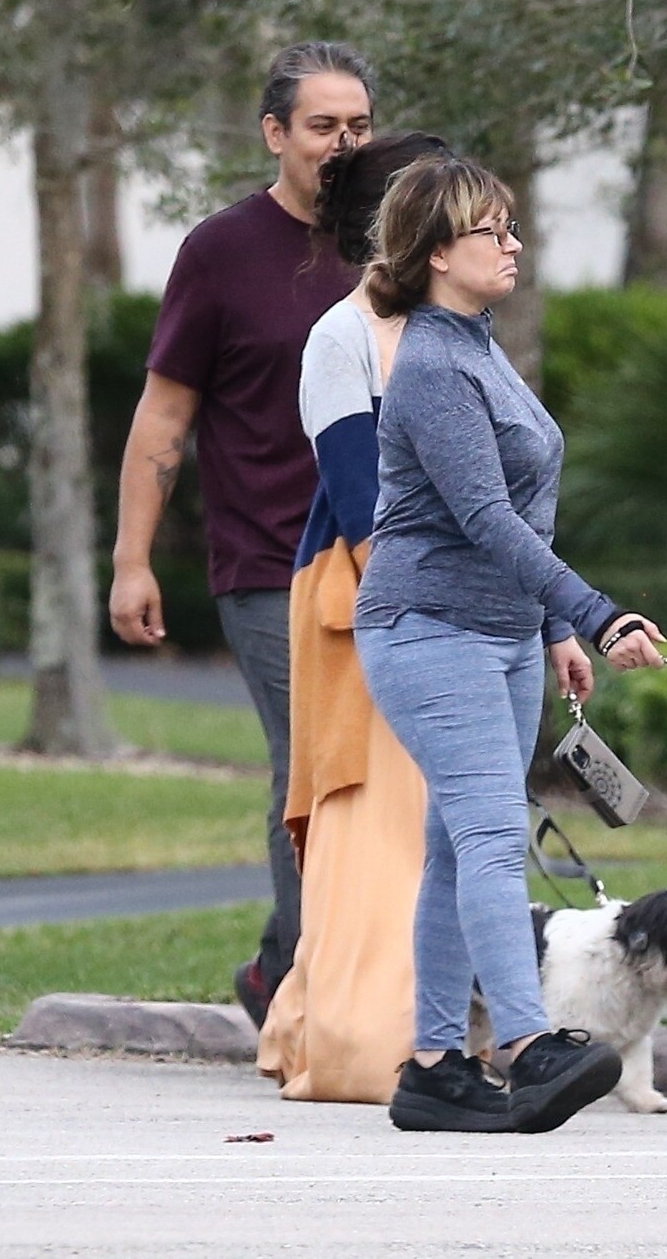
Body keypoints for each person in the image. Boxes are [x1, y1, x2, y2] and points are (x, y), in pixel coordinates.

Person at [352, 154, 665, 1134]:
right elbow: (485, 515)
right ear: (437, 252)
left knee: (457, 849)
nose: (512, 244)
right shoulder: (432, 368)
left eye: (511, 227)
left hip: (502, 634)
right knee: (490, 836)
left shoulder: (480, 351)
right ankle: (529, 1045)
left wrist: (554, 626)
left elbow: (522, 509)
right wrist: (597, 612)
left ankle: (435, 1067)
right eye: (491, 230)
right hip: (426, 627)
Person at [111, 41, 377, 1026]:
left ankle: (281, 964)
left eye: (359, 126)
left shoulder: (396, 241)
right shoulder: (222, 251)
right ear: (275, 133)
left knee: (380, 768)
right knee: (311, 763)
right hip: (271, 559)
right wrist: (131, 560)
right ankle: (312, 994)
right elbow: (164, 414)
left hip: (390, 553)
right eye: (322, 126)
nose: (342, 145)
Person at [256, 133, 453, 1103]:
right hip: (359, 599)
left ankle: (311, 1021)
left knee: (421, 825)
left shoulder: (453, 332)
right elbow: (359, 499)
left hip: (436, 599)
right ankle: (354, 1040)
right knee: (365, 821)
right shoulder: (342, 338)